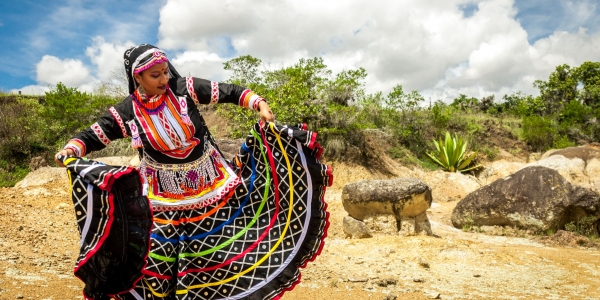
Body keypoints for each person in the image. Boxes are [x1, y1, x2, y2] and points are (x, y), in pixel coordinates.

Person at [55, 44, 332, 300]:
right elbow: (91, 136)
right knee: (158, 263)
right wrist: (71, 150)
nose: (164, 79)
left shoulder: (183, 88)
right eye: (155, 75)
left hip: (212, 188)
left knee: (220, 256)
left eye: (165, 72)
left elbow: (229, 92)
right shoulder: (126, 112)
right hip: (163, 200)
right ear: (137, 78)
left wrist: (258, 103)